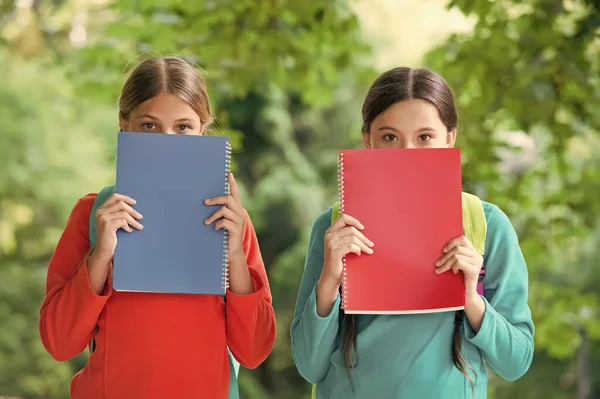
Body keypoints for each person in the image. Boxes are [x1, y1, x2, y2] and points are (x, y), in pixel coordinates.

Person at [39, 56, 276, 399]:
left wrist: (235, 255)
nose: (167, 140)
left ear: (202, 129)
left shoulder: (232, 220)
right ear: (125, 124)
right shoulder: (92, 214)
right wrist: (101, 254)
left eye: (183, 127)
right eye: (149, 125)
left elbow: (254, 351)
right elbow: (59, 344)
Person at [290, 67, 534, 398]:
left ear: (449, 138)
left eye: (425, 137)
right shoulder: (333, 227)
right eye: (390, 137)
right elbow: (309, 367)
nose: (407, 152)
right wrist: (330, 282)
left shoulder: (487, 224)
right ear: (368, 141)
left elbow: (516, 362)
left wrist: (471, 300)